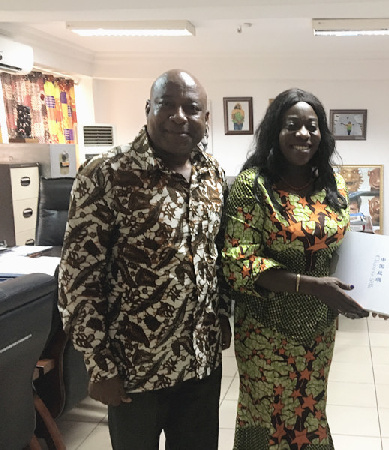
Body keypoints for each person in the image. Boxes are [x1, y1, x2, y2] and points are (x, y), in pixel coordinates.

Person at [58, 69, 230, 450]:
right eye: (167, 104)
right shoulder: (105, 173)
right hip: (134, 372)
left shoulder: (213, 175)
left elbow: (211, 258)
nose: (179, 116)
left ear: (206, 119)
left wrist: (220, 315)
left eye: (192, 108)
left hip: (200, 366)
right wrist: (99, 365)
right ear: (148, 108)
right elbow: (77, 280)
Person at [221, 87, 368, 449]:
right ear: (275, 131)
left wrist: (366, 292)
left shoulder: (331, 184)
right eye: (292, 125)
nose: (303, 133)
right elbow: (238, 262)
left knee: (311, 410)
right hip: (265, 331)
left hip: (318, 330)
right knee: (266, 416)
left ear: (322, 134)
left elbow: (341, 245)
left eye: (312, 126)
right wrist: (313, 285)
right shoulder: (253, 185)